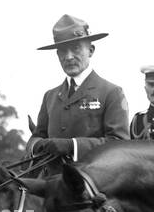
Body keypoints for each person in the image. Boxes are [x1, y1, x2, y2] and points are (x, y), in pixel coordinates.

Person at [29, 14, 129, 165]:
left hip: (92, 184)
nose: (69, 57)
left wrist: (72, 146)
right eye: (62, 50)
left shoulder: (111, 93)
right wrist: (37, 145)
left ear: (91, 50)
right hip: (50, 182)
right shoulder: (50, 96)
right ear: (57, 55)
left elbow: (119, 144)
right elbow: (36, 136)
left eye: (76, 48)